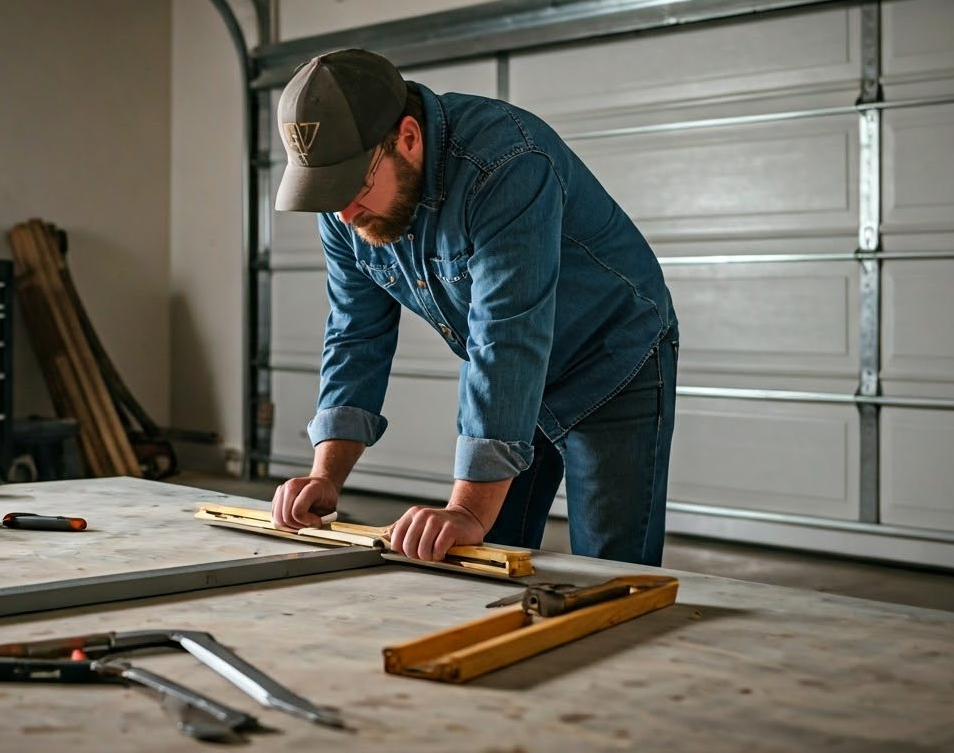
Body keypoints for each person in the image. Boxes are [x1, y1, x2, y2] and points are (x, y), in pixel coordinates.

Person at [269, 48, 679, 566]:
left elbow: (507, 335)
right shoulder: (345, 204)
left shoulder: (507, 162)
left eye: (354, 187)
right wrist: (325, 475)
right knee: (480, 559)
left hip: (611, 361)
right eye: (328, 192)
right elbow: (355, 333)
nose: (345, 213)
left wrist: (466, 507)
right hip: (510, 379)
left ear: (408, 138)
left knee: (610, 572)